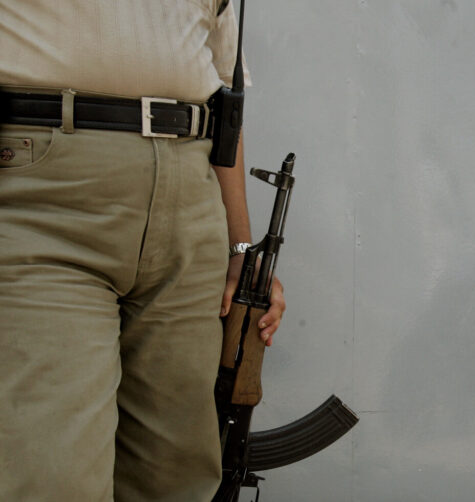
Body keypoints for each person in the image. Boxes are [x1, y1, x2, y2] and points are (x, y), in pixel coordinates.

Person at [0, 1, 285, 500]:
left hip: (191, 194)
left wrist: (240, 246)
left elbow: (223, 100)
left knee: (175, 475)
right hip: (47, 192)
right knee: (50, 474)